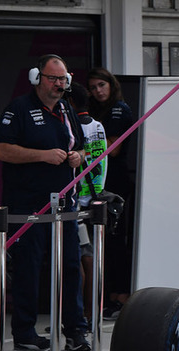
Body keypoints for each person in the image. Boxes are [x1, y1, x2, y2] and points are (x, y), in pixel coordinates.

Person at [0, 54, 90, 351]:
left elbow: (84, 149)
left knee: (71, 268)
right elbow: (2, 150)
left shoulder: (66, 109)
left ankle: (75, 330)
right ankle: (24, 333)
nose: (58, 84)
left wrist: (79, 157)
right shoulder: (19, 108)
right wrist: (42, 155)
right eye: (53, 79)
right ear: (37, 78)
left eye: (62, 79)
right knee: (29, 268)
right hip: (29, 207)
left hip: (65, 205)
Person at [87, 67, 134, 318]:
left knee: (117, 241)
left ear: (110, 84)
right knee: (102, 242)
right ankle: (108, 296)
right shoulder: (94, 110)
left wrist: (86, 148)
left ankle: (122, 296)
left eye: (101, 86)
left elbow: (112, 149)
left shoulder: (119, 109)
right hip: (98, 185)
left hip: (116, 183)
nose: (98, 91)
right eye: (93, 87)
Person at [69, 82, 108, 317]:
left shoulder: (73, 128)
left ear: (71, 103)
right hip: (97, 195)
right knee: (91, 257)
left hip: (79, 202)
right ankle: (93, 312)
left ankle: (80, 314)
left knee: (81, 259)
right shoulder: (98, 125)